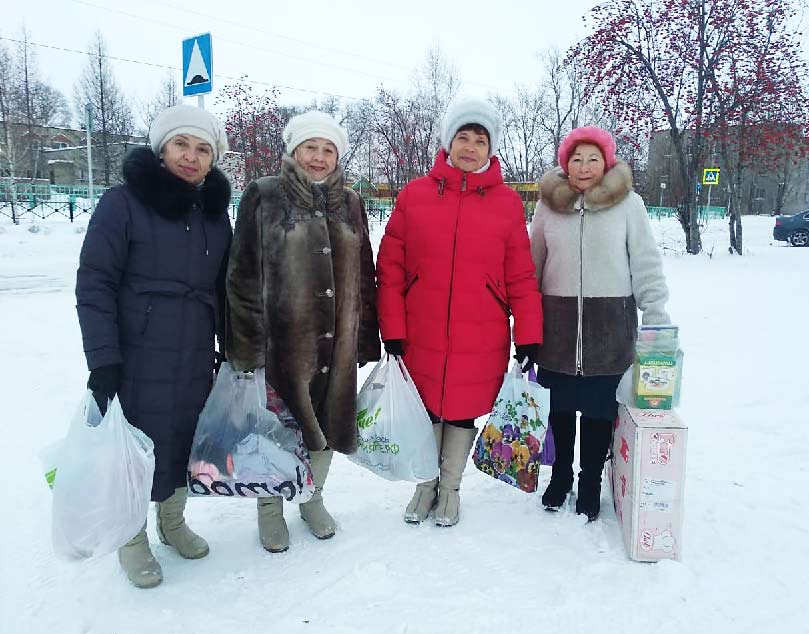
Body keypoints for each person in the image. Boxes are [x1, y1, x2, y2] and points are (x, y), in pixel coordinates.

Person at [75, 104, 232, 587]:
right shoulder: (123, 204)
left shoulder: (214, 215)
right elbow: (95, 283)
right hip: (135, 355)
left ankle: (173, 522)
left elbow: (226, 289)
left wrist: (232, 348)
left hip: (194, 356)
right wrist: (103, 360)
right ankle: (132, 536)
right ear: (162, 149)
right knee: (134, 450)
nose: (191, 156)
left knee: (184, 440)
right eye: (181, 145)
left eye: (203, 149)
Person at [376, 98, 543, 528]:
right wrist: (391, 327)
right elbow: (390, 268)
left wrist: (529, 333)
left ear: (491, 148)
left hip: (481, 331)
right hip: (421, 330)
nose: (470, 147)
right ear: (449, 142)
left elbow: (521, 275)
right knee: (427, 409)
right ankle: (425, 485)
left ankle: (449, 489)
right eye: (463, 137)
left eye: (480, 140)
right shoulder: (414, 195)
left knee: (462, 410)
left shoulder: (507, 203)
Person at [226, 111, 381, 553]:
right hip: (283, 347)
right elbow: (242, 275)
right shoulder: (264, 195)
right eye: (310, 147)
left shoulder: (350, 201)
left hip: (340, 342)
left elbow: (364, 270)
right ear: (293, 151)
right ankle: (269, 510)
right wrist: (247, 348)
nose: (318, 157)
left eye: (327, 149)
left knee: (328, 425)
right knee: (277, 430)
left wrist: (365, 334)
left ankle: (312, 498)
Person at [529, 125, 671, 521]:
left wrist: (656, 313)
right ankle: (560, 477)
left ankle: (590, 479)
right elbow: (532, 265)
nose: (584, 166)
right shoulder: (547, 206)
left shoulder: (629, 205)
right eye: (576, 158)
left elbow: (645, 263)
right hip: (555, 328)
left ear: (606, 162)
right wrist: (523, 321)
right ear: (565, 164)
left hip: (609, 330)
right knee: (559, 409)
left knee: (597, 412)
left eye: (593, 158)